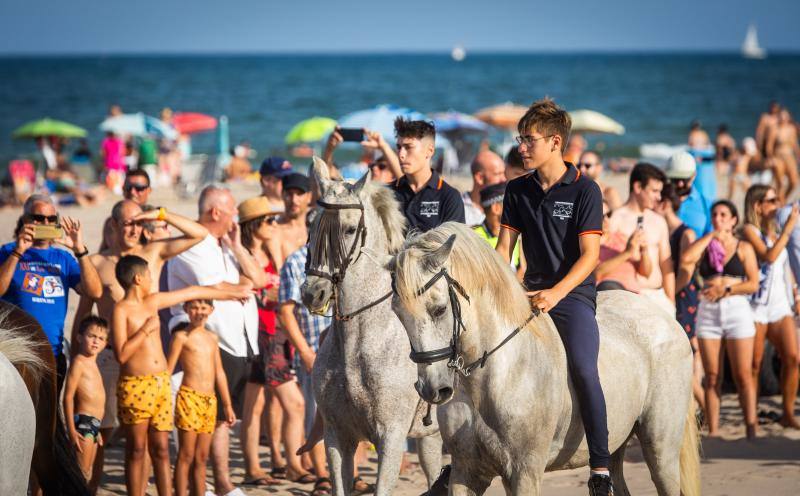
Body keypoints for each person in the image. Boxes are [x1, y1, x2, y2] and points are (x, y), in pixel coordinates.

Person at [495, 98, 612, 495]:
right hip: (527, 293)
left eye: (528, 140)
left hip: (573, 295)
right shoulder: (517, 190)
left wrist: (556, 294)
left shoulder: (585, 189)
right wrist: (497, 292)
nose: (521, 147)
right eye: (520, 139)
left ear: (555, 141)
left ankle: (600, 465)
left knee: (582, 368)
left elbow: (591, 256)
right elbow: (503, 251)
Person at [74, 200, 209, 488]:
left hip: (150, 363)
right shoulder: (98, 262)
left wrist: (161, 214)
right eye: (128, 223)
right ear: (113, 225)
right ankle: (89, 488)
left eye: (138, 223)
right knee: (101, 432)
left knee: (153, 444)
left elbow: (199, 233)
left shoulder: (153, 253)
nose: (135, 229)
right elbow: (84, 312)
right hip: (109, 359)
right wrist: (77, 359)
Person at [113, 254, 248, 496]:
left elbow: (192, 291)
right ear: (138, 278)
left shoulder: (153, 301)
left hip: (160, 384)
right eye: (149, 276)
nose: (152, 279)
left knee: (162, 450)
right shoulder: (122, 309)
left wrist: (232, 294)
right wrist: (145, 330)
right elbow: (121, 355)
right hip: (135, 385)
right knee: (136, 448)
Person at [167, 184, 267, 496]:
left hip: (239, 340)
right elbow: (216, 286)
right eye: (233, 209)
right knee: (210, 418)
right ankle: (218, 482)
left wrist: (237, 247)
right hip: (209, 338)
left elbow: (259, 280)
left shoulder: (224, 243)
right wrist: (240, 288)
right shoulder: (193, 243)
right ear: (216, 212)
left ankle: (213, 481)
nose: (237, 215)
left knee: (223, 418)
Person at [0, 195, 102, 390]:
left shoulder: (63, 257)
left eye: (51, 219)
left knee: (50, 417)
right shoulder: (7, 252)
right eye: (38, 218)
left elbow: (94, 291)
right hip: (16, 354)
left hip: (52, 352)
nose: (45, 223)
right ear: (26, 220)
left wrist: (80, 251)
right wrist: (17, 253)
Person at [679, 200, 760, 439]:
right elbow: (686, 259)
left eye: (724, 214)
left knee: (743, 374)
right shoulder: (706, 246)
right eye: (715, 214)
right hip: (709, 311)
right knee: (713, 375)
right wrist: (711, 235)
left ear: (734, 220)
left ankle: (751, 429)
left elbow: (753, 283)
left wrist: (726, 291)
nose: (719, 218)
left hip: (736, 309)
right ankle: (714, 430)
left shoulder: (743, 247)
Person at [742, 185, 800, 429]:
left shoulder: (775, 231)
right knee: (754, 365)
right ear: (758, 206)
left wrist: (795, 292)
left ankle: (787, 413)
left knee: (793, 358)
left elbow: (784, 265)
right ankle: (752, 418)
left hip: (779, 306)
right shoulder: (749, 230)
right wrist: (788, 230)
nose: (778, 205)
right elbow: (769, 256)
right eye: (772, 200)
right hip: (755, 306)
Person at [237, 196, 284, 487]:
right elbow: (254, 291)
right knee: (252, 406)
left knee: (273, 402)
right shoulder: (242, 256)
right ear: (254, 225)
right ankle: (251, 465)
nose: (273, 225)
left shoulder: (270, 251)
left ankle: (277, 458)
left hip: (275, 332)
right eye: (268, 220)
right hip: (253, 333)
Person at [167, 300, 237, 496]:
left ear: (211, 310)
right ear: (186, 310)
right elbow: (168, 370)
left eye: (203, 307)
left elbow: (219, 372)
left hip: (210, 401)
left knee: (202, 456)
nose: (199, 312)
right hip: (189, 398)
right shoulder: (181, 337)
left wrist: (228, 405)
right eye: (194, 307)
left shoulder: (212, 338)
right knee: (186, 454)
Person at [279, 243, 333, 496]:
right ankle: (321, 475)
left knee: (354, 412)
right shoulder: (296, 260)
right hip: (313, 348)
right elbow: (285, 311)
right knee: (315, 414)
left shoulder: (344, 255)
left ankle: (352, 475)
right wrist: (305, 352)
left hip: (345, 349)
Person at [657, 184, 704, 410]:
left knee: (687, 345)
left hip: (684, 294)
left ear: (665, 204)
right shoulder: (663, 231)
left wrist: (668, 293)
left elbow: (687, 271)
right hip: (673, 292)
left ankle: (701, 404)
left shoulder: (686, 233)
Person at [608, 163, 676, 314]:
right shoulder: (615, 219)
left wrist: (671, 300)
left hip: (658, 296)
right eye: (654, 191)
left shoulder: (659, 221)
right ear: (638, 187)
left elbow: (667, 266)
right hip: (627, 297)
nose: (659, 197)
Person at [391, 118, 465, 231]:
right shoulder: (387, 193)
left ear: (429, 151)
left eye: (408, 147)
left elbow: (455, 246)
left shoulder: (449, 197)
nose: (401, 154)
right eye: (399, 147)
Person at [62, 315, 108, 487]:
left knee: (86, 474)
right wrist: (71, 429)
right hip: (83, 424)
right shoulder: (79, 362)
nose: (96, 341)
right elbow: (68, 397)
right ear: (80, 337)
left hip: (94, 425)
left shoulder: (94, 365)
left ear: (105, 344)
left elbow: (96, 400)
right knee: (80, 475)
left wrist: (99, 429)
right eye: (92, 336)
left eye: (101, 338)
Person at [595, 200, 650, 292]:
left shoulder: (621, 237)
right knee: (609, 285)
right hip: (608, 291)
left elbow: (646, 273)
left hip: (632, 293)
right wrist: (627, 253)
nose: (606, 220)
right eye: (601, 216)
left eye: (608, 215)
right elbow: (596, 273)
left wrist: (644, 250)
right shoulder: (590, 244)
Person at [473, 182, 521, 274]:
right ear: (496, 208)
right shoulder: (473, 236)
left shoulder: (517, 235)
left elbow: (522, 270)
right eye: (510, 204)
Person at [462, 150, 506, 226]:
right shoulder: (457, 207)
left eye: (503, 173)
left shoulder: (507, 206)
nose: (504, 179)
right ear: (480, 178)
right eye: (497, 174)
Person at [767, 108, 799, 201]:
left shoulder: (792, 128)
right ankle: (780, 202)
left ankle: (783, 199)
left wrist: (798, 156)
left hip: (790, 157)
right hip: (778, 157)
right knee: (780, 183)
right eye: (781, 115)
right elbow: (769, 146)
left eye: (785, 115)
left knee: (794, 182)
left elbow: (794, 144)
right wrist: (771, 158)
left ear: (789, 117)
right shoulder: (774, 129)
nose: (783, 118)